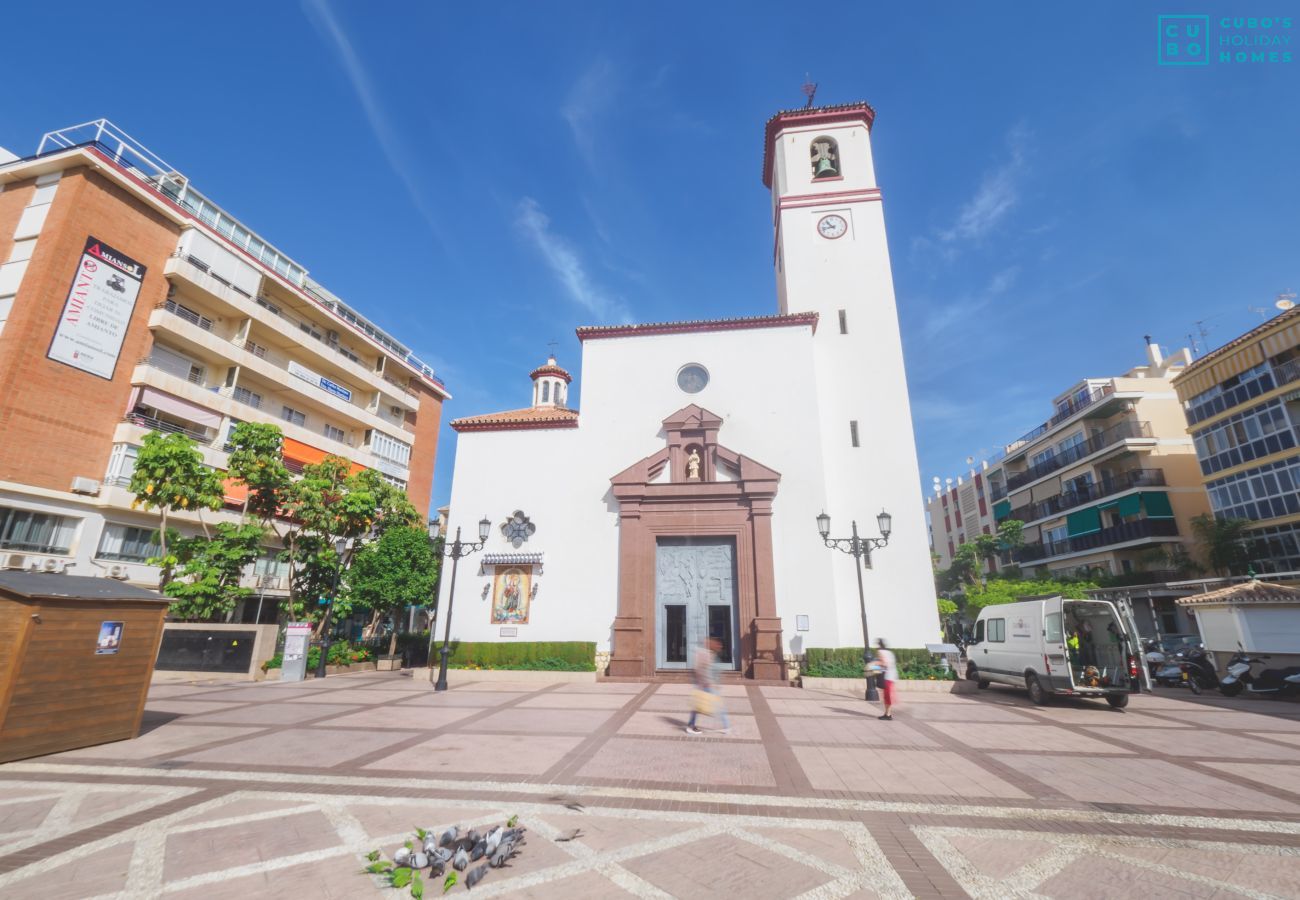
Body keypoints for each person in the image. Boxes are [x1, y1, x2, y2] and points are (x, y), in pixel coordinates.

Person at [685, 636, 731, 735]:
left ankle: (726, 726)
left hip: (709, 684)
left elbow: (711, 670)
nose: (719, 646)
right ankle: (691, 726)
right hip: (706, 685)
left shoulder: (711, 654)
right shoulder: (703, 653)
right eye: (717, 644)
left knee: (700, 706)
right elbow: (699, 670)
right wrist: (705, 683)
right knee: (699, 706)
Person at [874, 638, 898, 720]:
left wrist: (874, 665)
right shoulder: (889, 652)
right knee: (887, 696)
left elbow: (884, 663)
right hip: (892, 676)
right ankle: (887, 713)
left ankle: (888, 714)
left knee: (887, 696)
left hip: (887, 676)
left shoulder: (880, 651)